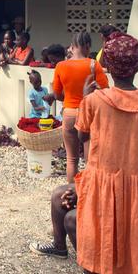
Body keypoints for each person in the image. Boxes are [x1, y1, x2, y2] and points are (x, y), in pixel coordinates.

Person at [75, 34, 138, 274]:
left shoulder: (94, 100)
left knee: (96, 246)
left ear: (108, 66)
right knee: (133, 251)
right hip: (136, 187)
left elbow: (81, 137)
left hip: (100, 186)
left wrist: (84, 98)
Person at [47, 32, 108, 183]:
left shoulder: (61, 66)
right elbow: (106, 91)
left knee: (71, 159)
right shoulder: (94, 65)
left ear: (72, 47)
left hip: (69, 114)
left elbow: (56, 94)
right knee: (89, 161)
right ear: (87, 46)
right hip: (89, 115)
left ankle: (71, 193)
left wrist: (67, 98)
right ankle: (89, 192)